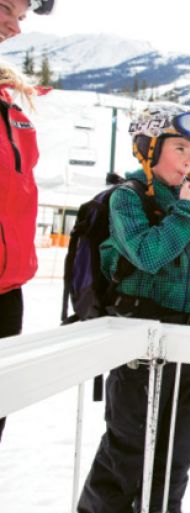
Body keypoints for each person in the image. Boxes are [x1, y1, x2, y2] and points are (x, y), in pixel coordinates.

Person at [77, 104, 190, 513]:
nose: (188, 160)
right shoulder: (128, 198)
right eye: (179, 148)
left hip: (186, 338)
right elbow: (150, 255)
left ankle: (160, 511)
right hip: (138, 337)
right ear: (147, 148)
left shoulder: (187, 202)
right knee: (130, 437)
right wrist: (189, 213)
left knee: (179, 440)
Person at [0, 0, 55, 444]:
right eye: (4, 8)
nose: (14, 27)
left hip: (6, 292)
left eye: (20, 16)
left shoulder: (8, 103)